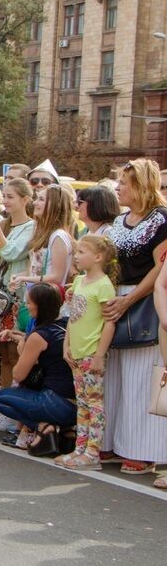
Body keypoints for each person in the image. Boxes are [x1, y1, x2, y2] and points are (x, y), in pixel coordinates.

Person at [103, 159, 167, 476]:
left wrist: (129, 299)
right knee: (113, 375)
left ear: (140, 185)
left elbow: (160, 268)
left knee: (141, 377)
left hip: (143, 301)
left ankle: (143, 449)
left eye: (124, 183)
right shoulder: (119, 220)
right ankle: (112, 441)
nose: (118, 188)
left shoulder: (162, 220)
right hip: (114, 299)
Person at [0, 178, 36, 430]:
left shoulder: (31, 227)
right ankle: (4, 408)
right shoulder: (3, 223)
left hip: (17, 297)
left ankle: (13, 411)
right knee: (0, 352)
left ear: (25, 200)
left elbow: (11, 252)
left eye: (11, 196)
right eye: (5, 196)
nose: (6, 200)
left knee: (14, 352)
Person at [55, 235, 118, 470]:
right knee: (81, 402)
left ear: (99, 257)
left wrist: (100, 354)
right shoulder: (80, 281)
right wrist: (66, 345)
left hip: (92, 352)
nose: (77, 256)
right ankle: (79, 448)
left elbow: (108, 322)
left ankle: (93, 452)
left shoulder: (103, 285)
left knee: (94, 403)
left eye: (82, 252)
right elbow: (73, 316)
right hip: (77, 351)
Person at [0, 283, 76, 452]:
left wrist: (21, 346)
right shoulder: (66, 324)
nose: (26, 306)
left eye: (29, 303)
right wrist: (20, 336)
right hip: (76, 402)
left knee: (1, 398)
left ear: (40, 306)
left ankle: (43, 425)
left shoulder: (38, 336)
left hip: (55, 402)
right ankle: (66, 431)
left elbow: (18, 375)